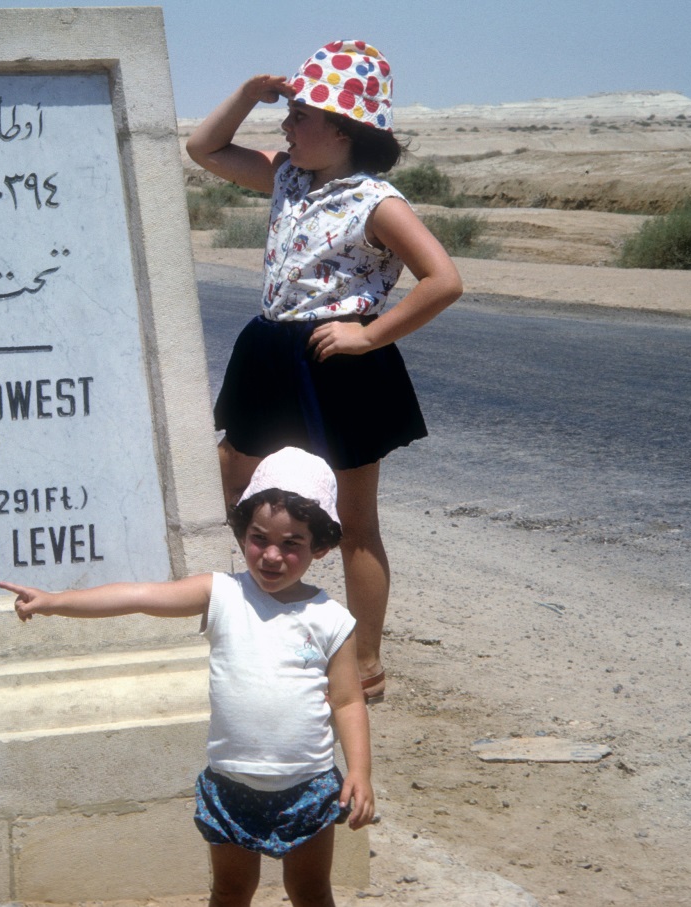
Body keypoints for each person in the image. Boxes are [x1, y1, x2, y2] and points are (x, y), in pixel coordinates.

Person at [186, 40, 463, 704]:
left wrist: (368, 334)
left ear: (340, 130)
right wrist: (247, 95)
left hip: (338, 361)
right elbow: (203, 148)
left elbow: (443, 279)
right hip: (268, 351)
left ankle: (364, 659)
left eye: (297, 114)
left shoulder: (376, 201)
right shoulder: (287, 175)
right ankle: (260, 617)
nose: (284, 125)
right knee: (234, 483)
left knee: (354, 520)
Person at [1, 447, 372, 907]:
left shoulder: (330, 618)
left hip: (309, 784)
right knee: (231, 890)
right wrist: (56, 601)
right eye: (259, 538)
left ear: (321, 546)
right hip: (231, 784)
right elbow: (138, 595)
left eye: (292, 543)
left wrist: (359, 771)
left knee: (310, 891)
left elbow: (348, 702)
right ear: (242, 532)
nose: (272, 555)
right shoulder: (222, 594)